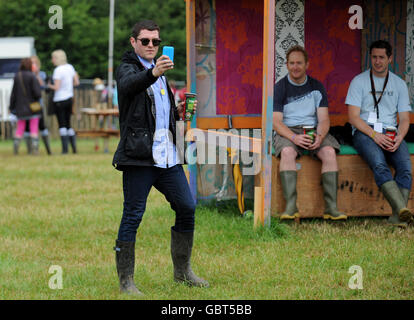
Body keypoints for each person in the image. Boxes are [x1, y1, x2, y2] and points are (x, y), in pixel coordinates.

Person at [112, 20, 208, 295]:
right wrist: (154, 72)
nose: (151, 45)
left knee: (187, 206)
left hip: (167, 157)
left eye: (155, 41)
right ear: (133, 42)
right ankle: (126, 282)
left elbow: (156, 113)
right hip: (139, 156)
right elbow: (130, 86)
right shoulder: (129, 68)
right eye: (145, 41)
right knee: (133, 215)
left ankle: (182, 272)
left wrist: (176, 111)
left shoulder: (161, 74)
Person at [273, 45, 347, 221]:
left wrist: (320, 136)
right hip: (289, 131)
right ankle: (291, 208)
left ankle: (331, 209)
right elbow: (276, 122)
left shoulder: (317, 86)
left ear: (307, 64)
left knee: (329, 152)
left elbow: (323, 120)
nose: (295, 67)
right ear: (287, 65)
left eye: (299, 63)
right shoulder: (280, 87)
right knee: (287, 152)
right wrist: (293, 137)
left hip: (314, 130)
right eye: (291, 63)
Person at [346, 40, 413, 227]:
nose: (377, 61)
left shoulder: (399, 84)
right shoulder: (358, 81)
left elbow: (405, 119)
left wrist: (400, 136)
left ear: (390, 58)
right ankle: (402, 211)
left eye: (381, 57)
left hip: (391, 132)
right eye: (374, 57)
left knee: (406, 168)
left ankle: (397, 217)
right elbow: (353, 117)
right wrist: (375, 135)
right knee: (379, 164)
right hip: (365, 132)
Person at [48, 49, 80, 154]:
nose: (52, 60)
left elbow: (56, 87)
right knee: (68, 124)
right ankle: (74, 148)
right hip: (69, 98)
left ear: (57, 58)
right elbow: (76, 82)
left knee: (62, 125)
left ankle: (65, 150)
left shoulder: (58, 70)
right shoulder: (70, 67)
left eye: (53, 58)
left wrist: (49, 86)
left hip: (59, 99)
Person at [9, 58, 42, 155]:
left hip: (20, 108)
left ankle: (16, 146)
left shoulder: (17, 76)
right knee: (34, 128)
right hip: (32, 107)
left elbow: (13, 94)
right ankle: (35, 148)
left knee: (20, 128)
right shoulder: (32, 76)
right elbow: (37, 94)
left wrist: (11, 107)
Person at [31, 55, 52, 155]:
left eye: (35, 63)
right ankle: (32, 149)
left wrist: (37, 74)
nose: (33, 65)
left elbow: (43, 87)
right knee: (29, 126)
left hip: (38, 103)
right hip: (28, 104)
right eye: (32, 63)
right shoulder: (27, 74)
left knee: (41, 125)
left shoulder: (42, 74)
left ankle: (48, 149)